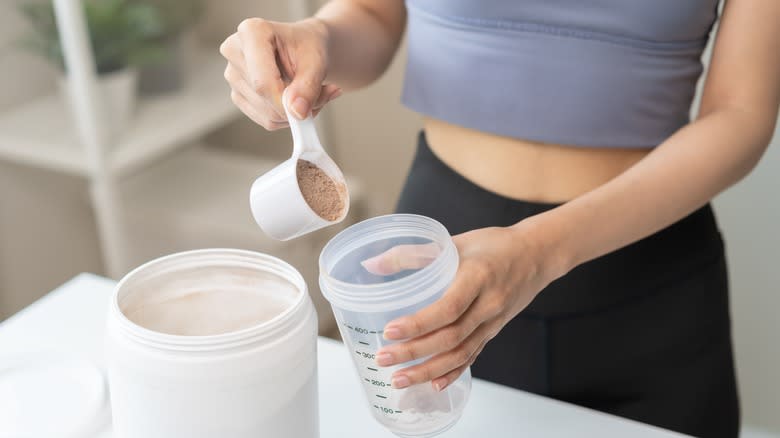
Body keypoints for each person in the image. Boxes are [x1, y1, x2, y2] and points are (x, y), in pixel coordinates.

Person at [220, 1, 779, 436]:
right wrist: (316, 39)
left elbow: (741, 113)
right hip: (440, 268)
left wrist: (538, 249)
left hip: (645, 269)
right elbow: (370, 17)